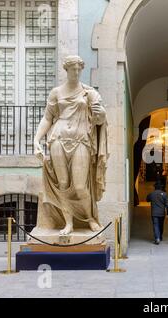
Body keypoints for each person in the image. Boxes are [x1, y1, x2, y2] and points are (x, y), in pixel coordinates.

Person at [33, 55, 108, 235]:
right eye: (73, 68)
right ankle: (68, 223)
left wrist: (102, 115)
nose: (76, 72)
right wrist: (36, 140)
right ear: (66, 70)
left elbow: (98, 120)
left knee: (81, 186)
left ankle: (90, 218)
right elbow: (47, 118)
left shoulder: (89, 93)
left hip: (81, 139)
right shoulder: (56, 93)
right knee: (63, 182)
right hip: (58, 138)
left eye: (79, 69)